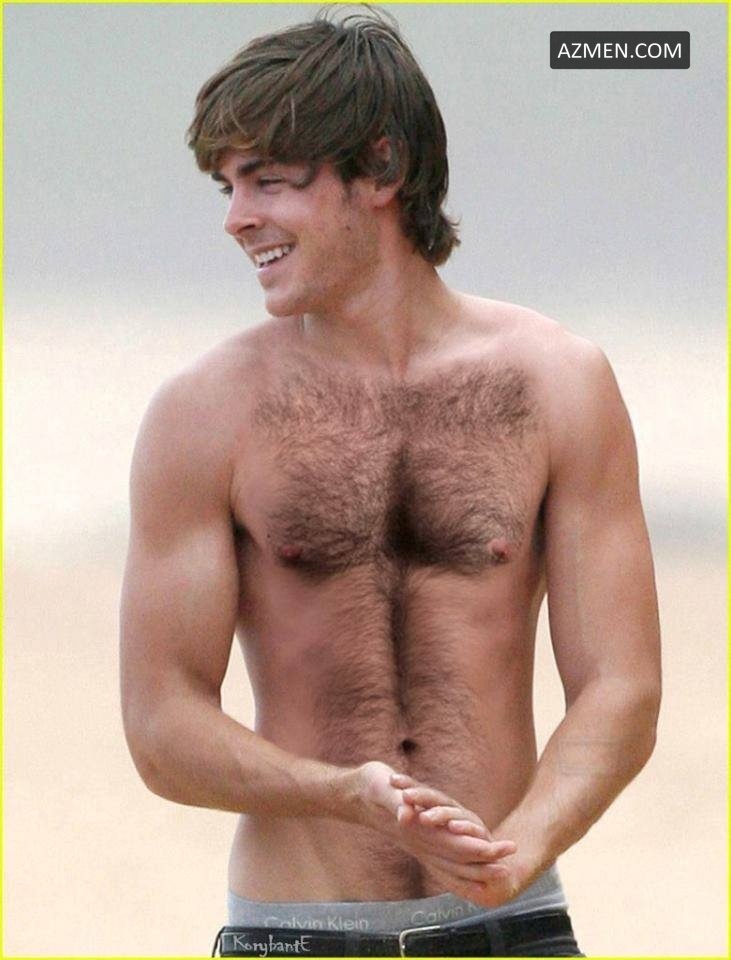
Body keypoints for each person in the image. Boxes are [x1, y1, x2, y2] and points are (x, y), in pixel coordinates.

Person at [120, 8, 661, 957]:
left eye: (268, 181)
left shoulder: (557, 383)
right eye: (226, 185)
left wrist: (515, 853)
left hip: (514, 930)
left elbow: (621, 686)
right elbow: (161, 723)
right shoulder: (203, 413)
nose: (235, 217)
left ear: (381, 169)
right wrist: (342, 793)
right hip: (294, 934)